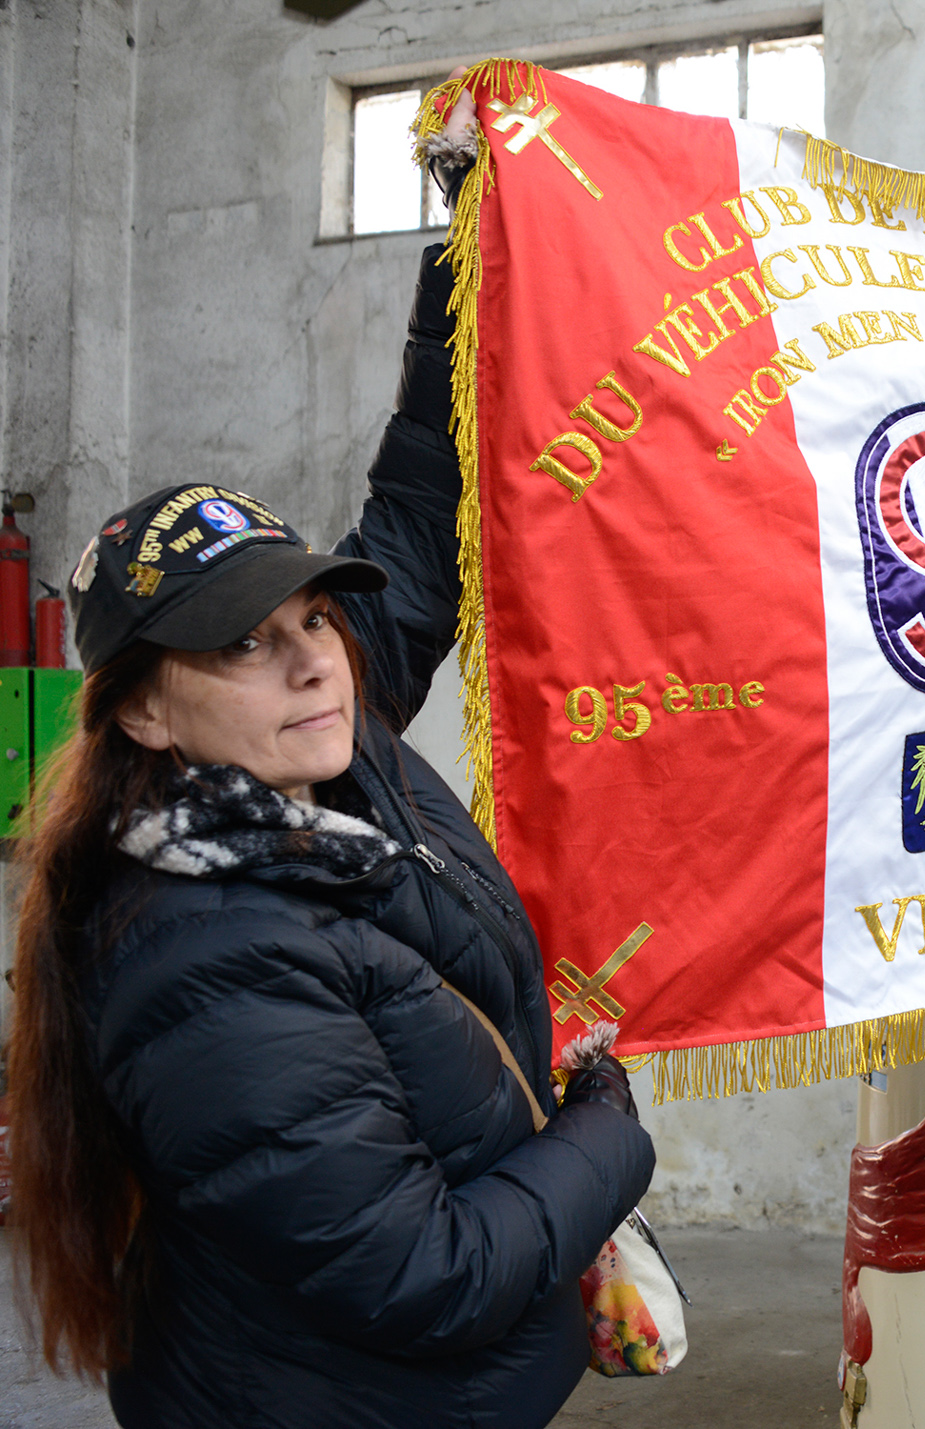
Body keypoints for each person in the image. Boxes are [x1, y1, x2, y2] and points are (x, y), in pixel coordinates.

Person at [5, 235, 657, 1427]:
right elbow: (425, 1274)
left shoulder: (320, 747)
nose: (311, 660)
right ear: (143, 709)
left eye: (313, 613)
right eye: (240, 639)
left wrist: (469, 270)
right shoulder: (202, 963)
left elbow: (417, 516)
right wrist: (605, 1140)